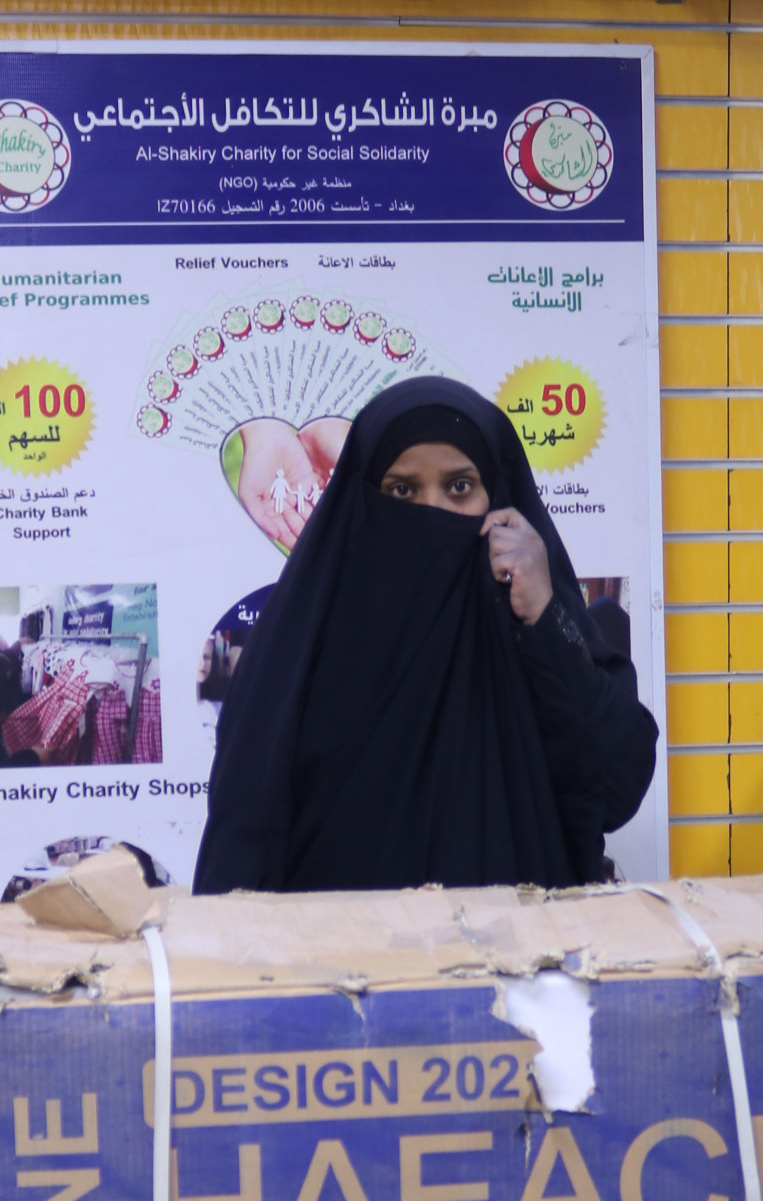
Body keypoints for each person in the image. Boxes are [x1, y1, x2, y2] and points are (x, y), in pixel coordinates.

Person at [192, 378, 657, 894]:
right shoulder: (300, 654)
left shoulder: (538, 633)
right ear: (363, 500)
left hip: (520, 942)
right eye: (402, 490)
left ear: (498, 496)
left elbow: (616, 787)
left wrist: (544, 619)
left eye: (459, 487)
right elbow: (241, 851)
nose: (432, 511)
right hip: (347, 944)